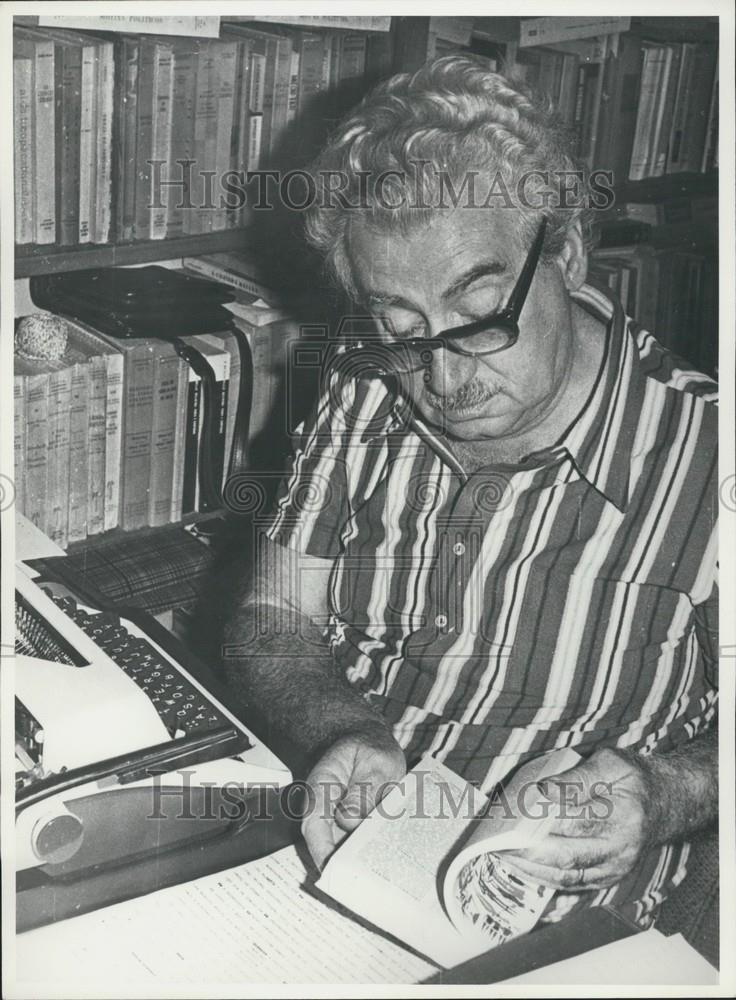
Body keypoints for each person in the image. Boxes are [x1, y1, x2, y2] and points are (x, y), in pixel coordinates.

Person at [223, 55, 718, 929]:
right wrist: (341, 731)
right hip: (334, 858)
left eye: (481, 316)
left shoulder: (709, 452)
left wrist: (666, 789)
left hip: (560, 917)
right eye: (401, 328)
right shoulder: (366, 389)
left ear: (564, 252)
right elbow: (272, 619)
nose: (445, 377)